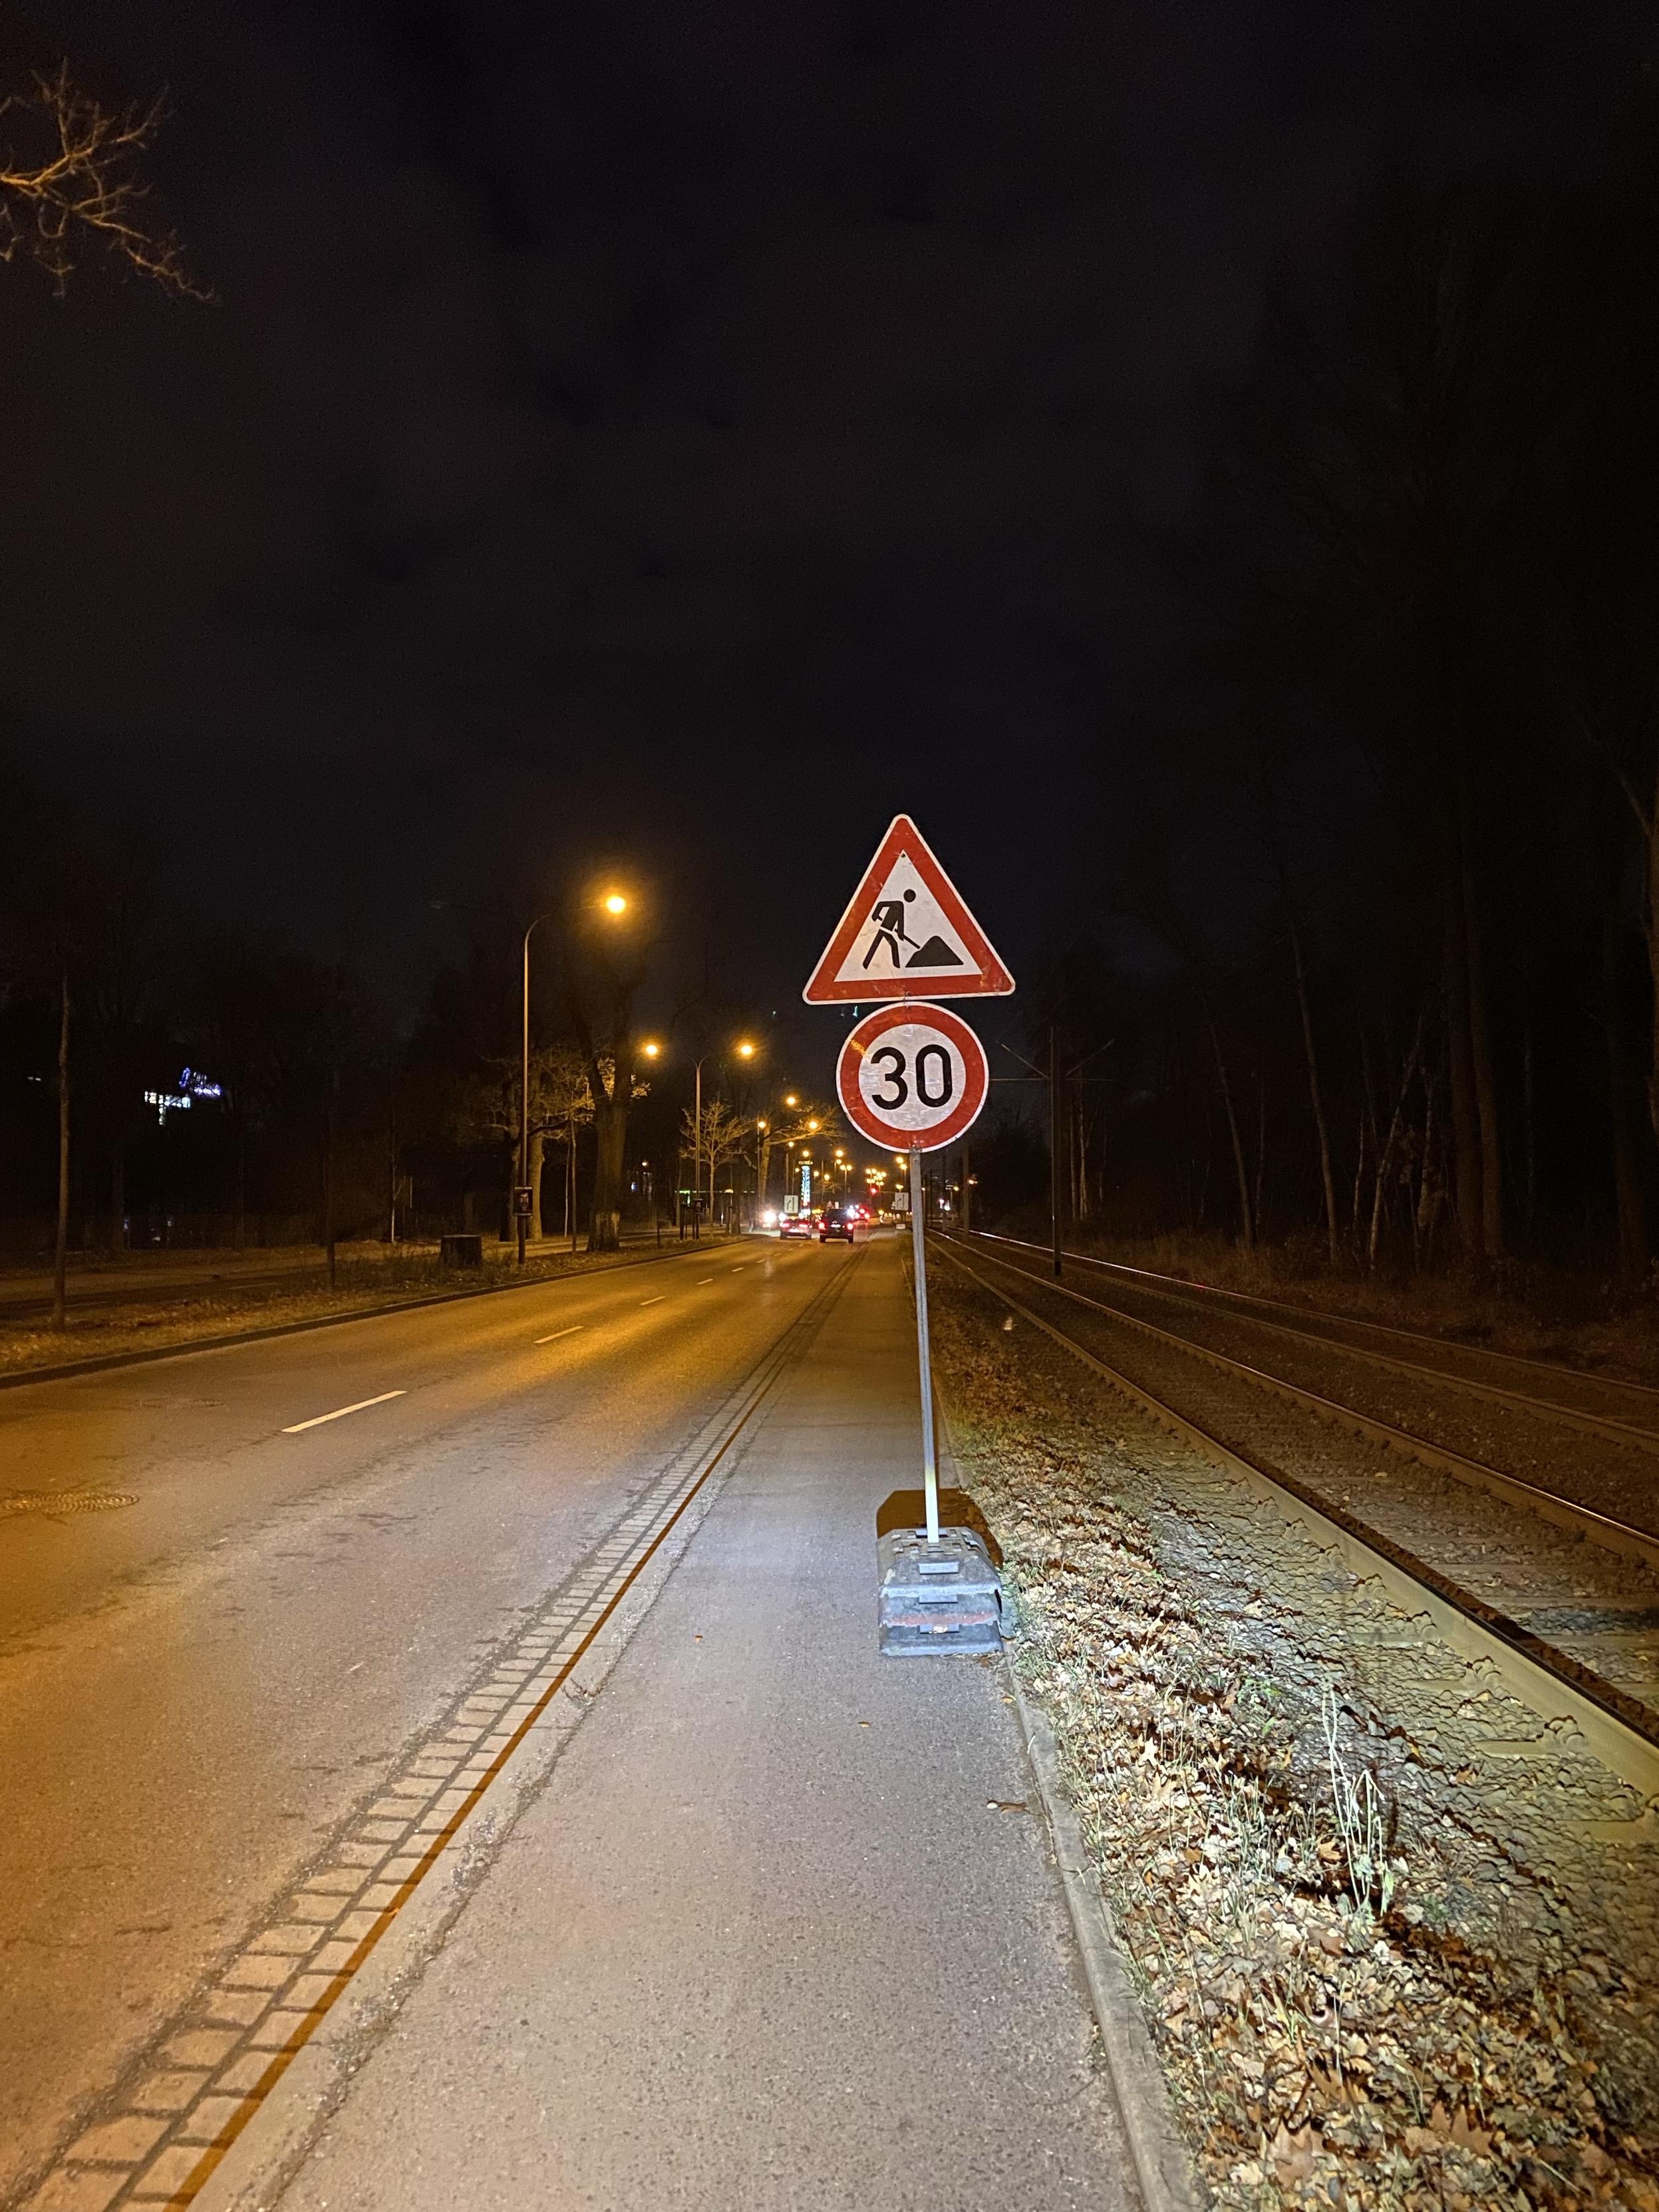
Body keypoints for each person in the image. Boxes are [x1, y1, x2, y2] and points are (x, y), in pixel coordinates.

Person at [863, 887, 917, 969]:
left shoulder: (900, 905)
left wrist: (900, 933)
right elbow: (880, 904)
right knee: (887, 944)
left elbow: (900, 920)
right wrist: (875, 915)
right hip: (884, 929)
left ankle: (866, 964)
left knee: (885, 944)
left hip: (887, 930)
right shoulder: (898, 904)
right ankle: (896, 966)